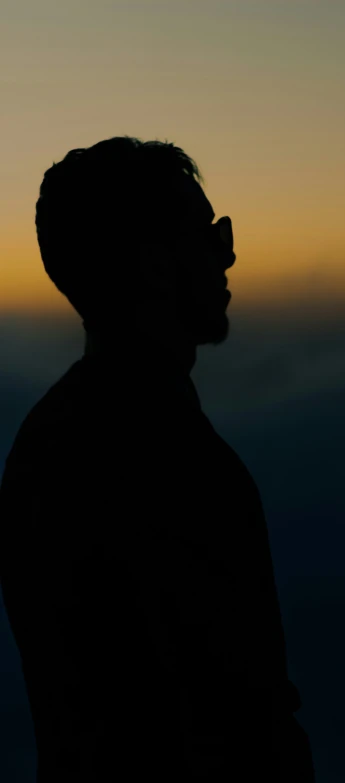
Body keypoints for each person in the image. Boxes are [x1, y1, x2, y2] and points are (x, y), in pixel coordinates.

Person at [0, 136, 315, 782]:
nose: (228, 256)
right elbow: (248, 727)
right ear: (156, 268)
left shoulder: (38, 448)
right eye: (210, 237)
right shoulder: (193, 473)